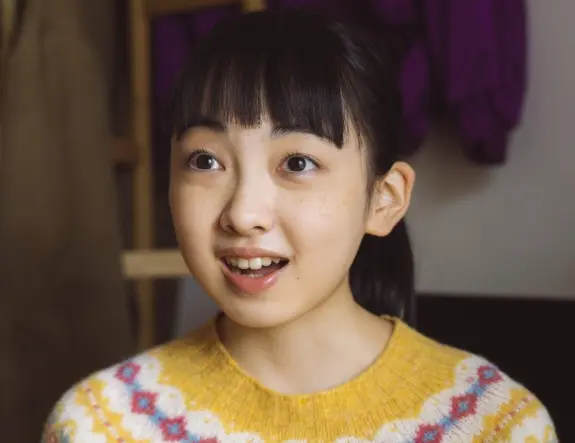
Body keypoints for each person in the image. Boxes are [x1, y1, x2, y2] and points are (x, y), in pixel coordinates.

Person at [42, 9, 557, 443]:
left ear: (384, 200)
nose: (243, 214)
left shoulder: (496, 424)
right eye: (205, 160)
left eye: (298, 163)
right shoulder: (99, 425)